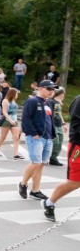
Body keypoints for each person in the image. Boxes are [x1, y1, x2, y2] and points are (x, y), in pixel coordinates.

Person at [18, 80, 57, 202]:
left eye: (53, 89)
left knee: (41, 164)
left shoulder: (48, 103)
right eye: (49, 89)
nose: (52, 91)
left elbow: (50, 120)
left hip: (48, 137)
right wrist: (33, 133)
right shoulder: (32, 101)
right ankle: (23, 184)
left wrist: (52, 134)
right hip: (37, 137)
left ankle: (35, 190)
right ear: (40, 88)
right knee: (36, 162)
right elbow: (25, 118)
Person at [43, 93, 80, 221]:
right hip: (78, 147)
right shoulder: (79, 100)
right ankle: (50, 202)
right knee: (74, 182)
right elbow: (76, 125)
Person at [0, 88, 22, 159]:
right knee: (3, 137)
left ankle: (16, 154)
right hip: (7, 121)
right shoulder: (5, 101)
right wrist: (10, 120)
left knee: (16, 138)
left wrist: (14, 120)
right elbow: (4, 112)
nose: (17, 95)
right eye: (16, 93)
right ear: (12, 94)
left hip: (15, 121)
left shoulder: (13, 101)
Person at [48, 88, 67, 166]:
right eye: (63, 94)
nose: (64, 96)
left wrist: (63, 124)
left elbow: (59, 114)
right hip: (53, 125)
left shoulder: (58, 103)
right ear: (60, 94)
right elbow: (49, 114)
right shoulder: (51, 102)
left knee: (60, 142)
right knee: (55, 141)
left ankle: (53, 158)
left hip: (59, 125)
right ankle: (46, 156)